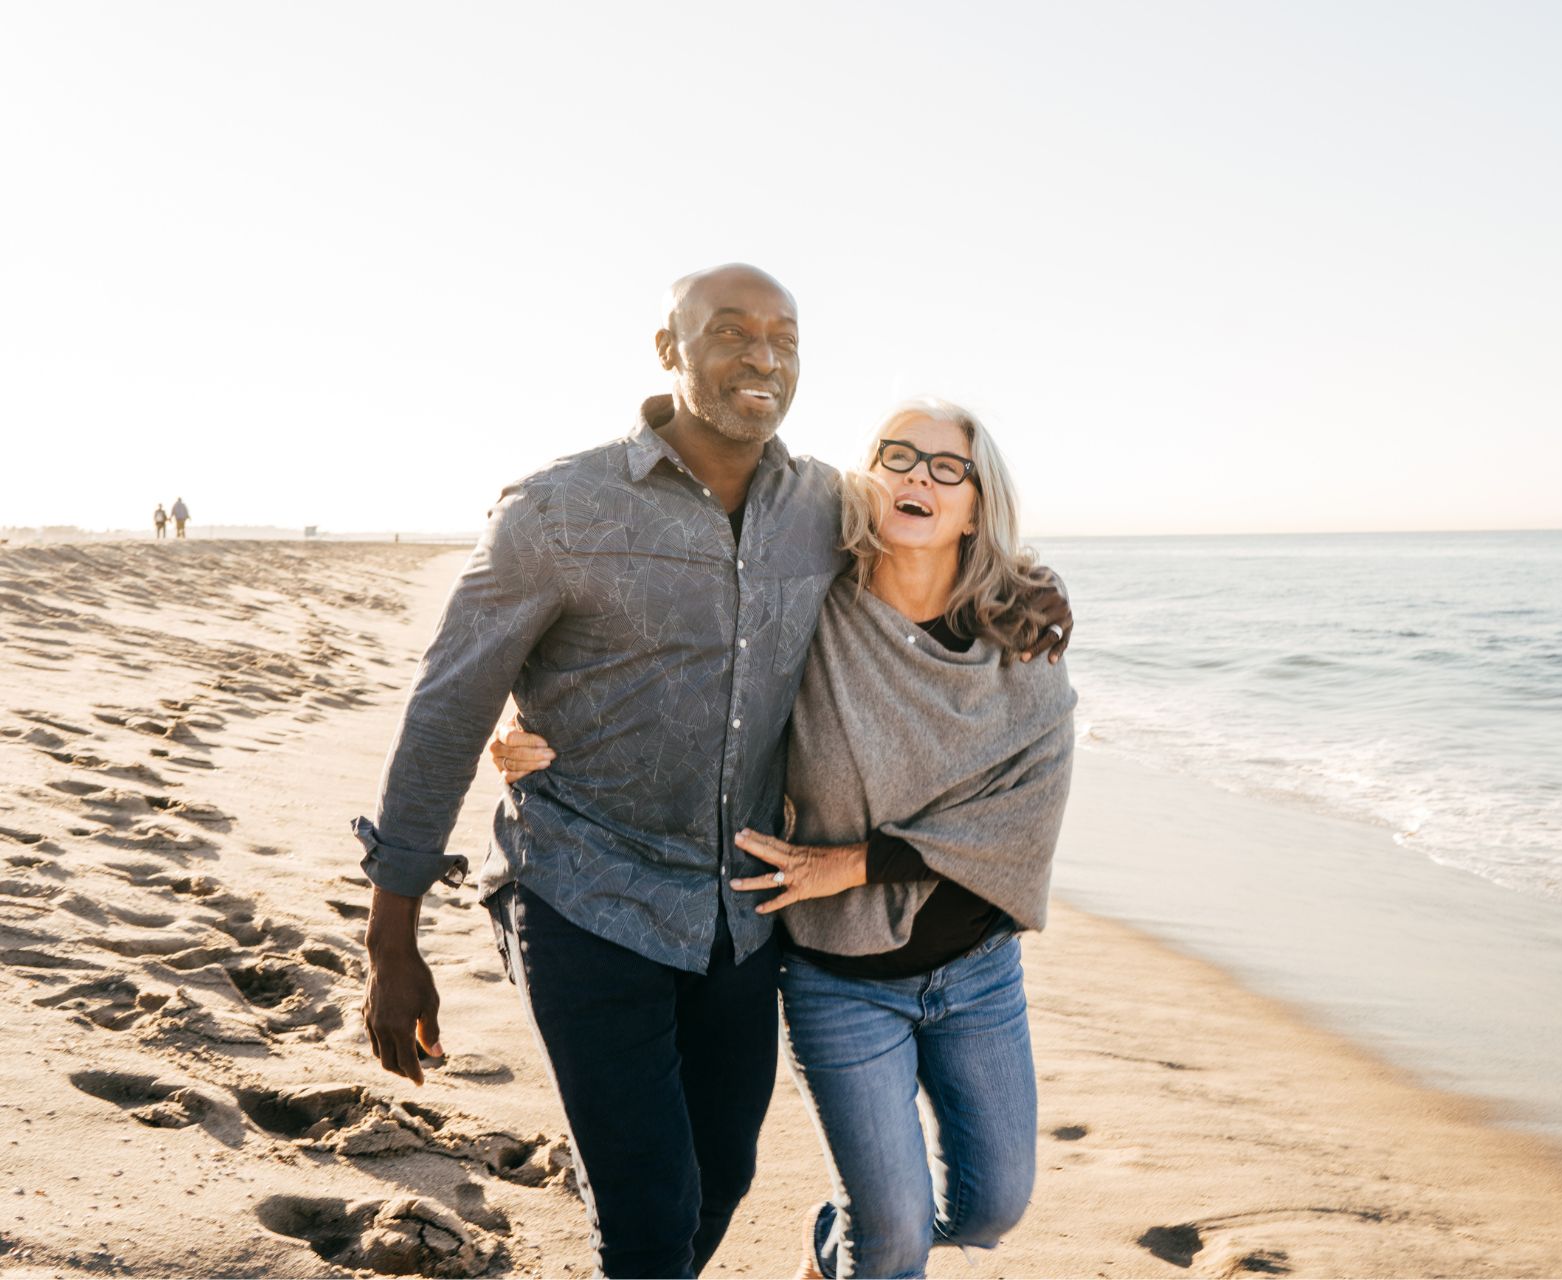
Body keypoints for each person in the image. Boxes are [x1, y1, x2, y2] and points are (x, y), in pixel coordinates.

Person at [353, 264, 1072, 1280]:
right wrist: (392, 935)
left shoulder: (828, 505)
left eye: (784, 336)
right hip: (583, 891)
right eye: (731, 332)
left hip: (737, 914)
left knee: (721, 1178)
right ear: (669, 349)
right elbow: (446, 707)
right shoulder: (559, 510)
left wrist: (1029, 580)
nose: (762, 355)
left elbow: (941, 544)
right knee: (650, 1217)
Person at [495, 399, 1074, 1279]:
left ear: (978, 504)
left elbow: (1025, 807)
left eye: (946, 467)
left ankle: (830, 1238)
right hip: (838, 979)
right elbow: (680, 668)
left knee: (992, 1207)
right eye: (899, 455)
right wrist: (541, 721)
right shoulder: (809, 602)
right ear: (868, 477)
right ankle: (865, 1237)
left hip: (978, 971)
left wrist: (857, 862)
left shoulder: (1018, 629)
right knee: (893, 1243)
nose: (919, 475)